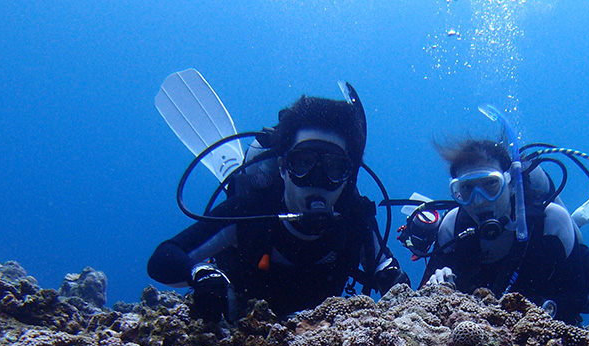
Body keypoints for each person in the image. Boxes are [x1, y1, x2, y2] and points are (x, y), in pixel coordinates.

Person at [148, 94, 408, 322]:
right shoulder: (248, 213)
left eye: (333, 168)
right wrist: (199, 273)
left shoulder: (354, 220)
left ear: (347, 179)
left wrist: (393, 283)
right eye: (304, 162)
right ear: (283, 168)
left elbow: (387, 271)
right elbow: (164, 257)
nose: (317, 181)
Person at [418, 138, 589, 325]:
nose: (479, 200)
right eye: (467, 188)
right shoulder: (451, 227)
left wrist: (539, 310)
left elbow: (575, 299)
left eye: (491, 184)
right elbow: (421, 299)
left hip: (544, 309)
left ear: (512, 184)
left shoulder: (551, 222)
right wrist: (437, 288)